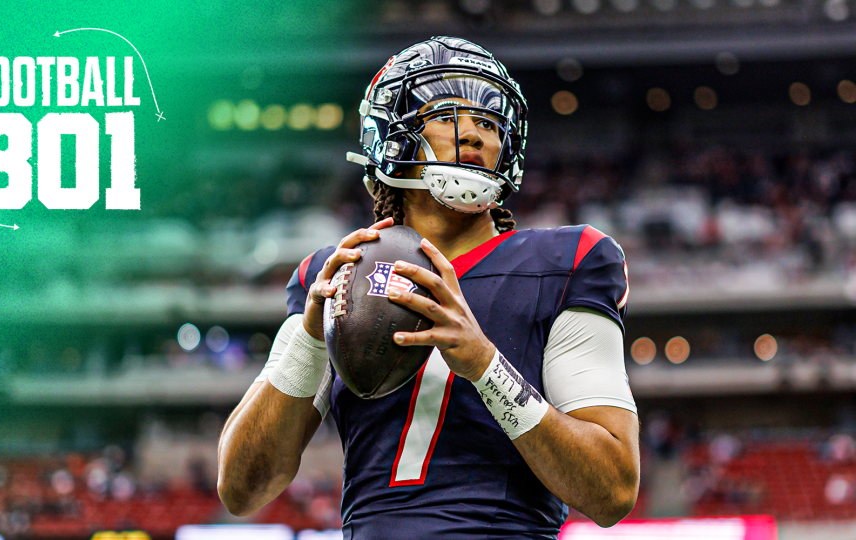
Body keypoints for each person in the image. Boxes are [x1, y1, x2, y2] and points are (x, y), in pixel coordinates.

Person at [218, 36, 639, 539]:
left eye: (490, 122)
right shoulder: (335, 271)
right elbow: (242, 488)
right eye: (449, 116)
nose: (478, 135)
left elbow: (612, 490)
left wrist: (485, 365)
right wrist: (310, 342)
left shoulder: (569, 260)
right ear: (392, 139)